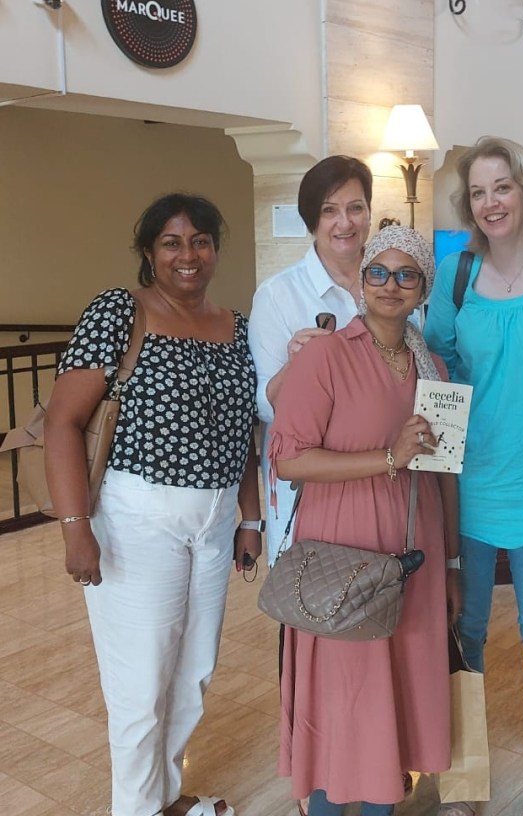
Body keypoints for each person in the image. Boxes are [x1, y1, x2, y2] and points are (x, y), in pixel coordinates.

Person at [44, 193, 261, 816]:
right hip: (137, 519)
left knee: (192, 672)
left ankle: (165, 796)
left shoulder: (237, 326)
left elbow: (244, 432)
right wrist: (75, 528)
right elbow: (63, 423)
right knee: (139, 684)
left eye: (200, 241)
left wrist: (250, 518)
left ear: (215, 250)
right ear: (149, 252)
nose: (188, 255)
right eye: (172, 242)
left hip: (214, 522)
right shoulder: (121, 311)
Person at [269, 226, 461, 816]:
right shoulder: (326, 356)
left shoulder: (434, 368)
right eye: (378, 271)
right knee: (343, 689)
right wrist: (387, 458)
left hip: (413, 547)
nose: (390, 285)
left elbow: (444, 473)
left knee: (398, 681)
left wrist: (452, 563)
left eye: (406, 275)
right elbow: (288, 458)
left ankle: (382, 801)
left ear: (423, 288)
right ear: (360, 281)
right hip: (343, 545)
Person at [423, 135, 523, 816]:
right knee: (464, 626)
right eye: (479, 192)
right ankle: (464, 774)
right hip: (468, 480)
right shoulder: (455, 273)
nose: (491, 202)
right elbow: (435, 365)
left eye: (503, 187)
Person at [248, 155, 373, 570]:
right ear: (311, 220)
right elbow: (264, 405)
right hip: (310, 484)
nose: (345, 223)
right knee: (311, 593)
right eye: (329, 210)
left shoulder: (393, 283)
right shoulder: (278, 295)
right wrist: (297, 367)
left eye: (355, 208)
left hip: (384, 469)